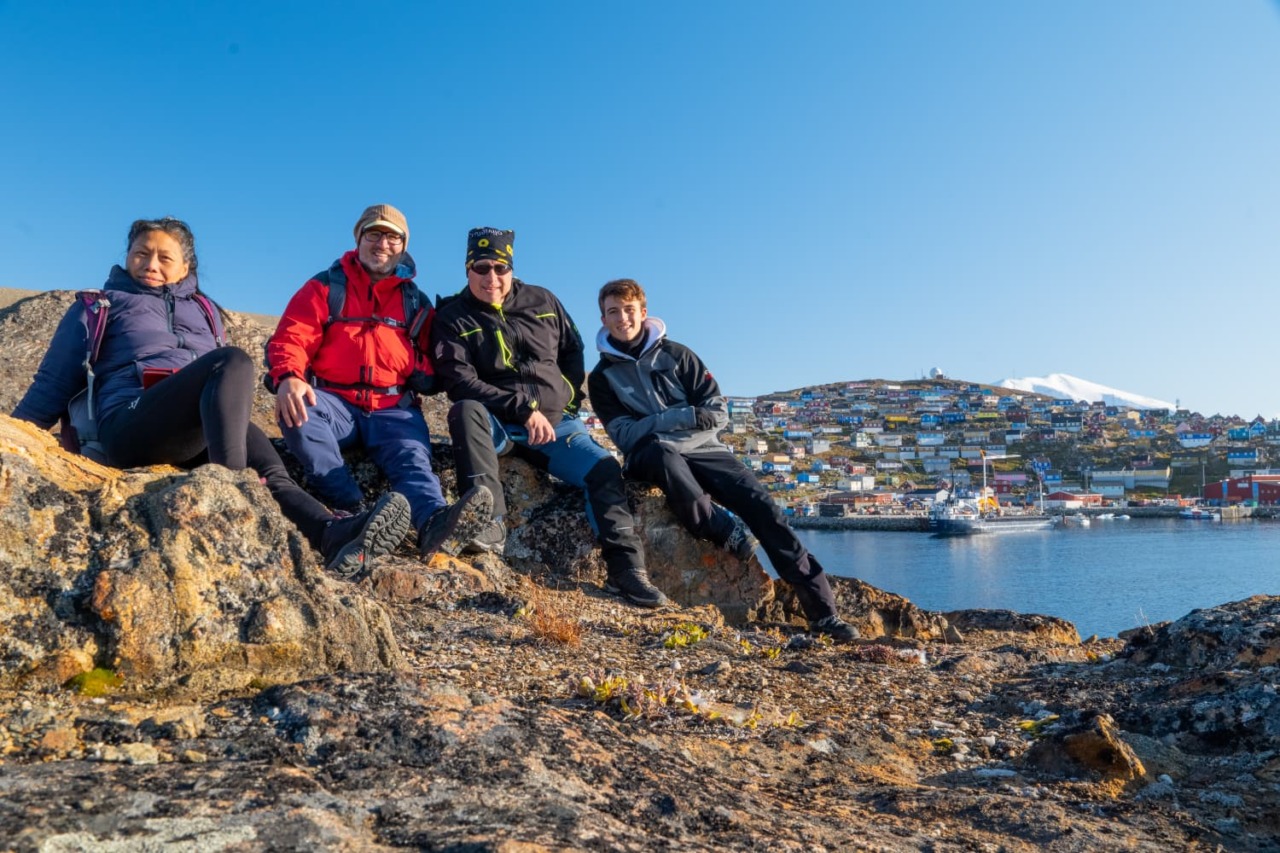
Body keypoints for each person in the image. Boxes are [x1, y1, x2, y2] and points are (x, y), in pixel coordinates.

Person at [12, 217, 412, 578]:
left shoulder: (205, 310)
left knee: (269, 470)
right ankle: (232, 500)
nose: (150, 264)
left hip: (189, 431)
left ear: (186, 267)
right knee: (231, 362)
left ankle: (331, 534)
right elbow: (50, 387)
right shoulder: (98, 306)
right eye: (141, 254)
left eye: (164, 258)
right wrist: (12, 444)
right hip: (129, 426)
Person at [587, 278, 859, 642]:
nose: (623, 318)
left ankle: (824, 614)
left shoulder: (679, 355)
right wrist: (683, 416)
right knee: (662, 454)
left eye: (629, 310)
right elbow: (624, 435)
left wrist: (663, 424)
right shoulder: (602, 378)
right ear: (603, 319)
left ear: (643, 312)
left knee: (764, 509)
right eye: (613, 312)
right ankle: (719, 527)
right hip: (651, 455)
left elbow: (716, 413)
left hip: (705, 449)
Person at [431, 228, 668, 608]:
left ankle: (626, 571)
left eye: (500, 268)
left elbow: (572, 349)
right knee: (464, 411)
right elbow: (459, 382)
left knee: (604, 469)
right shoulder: (451, 317)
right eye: (481, 268)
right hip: (496, 423)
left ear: (511, 268)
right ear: (467, 269)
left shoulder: (542, 300)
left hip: (555, 427)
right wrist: (523, 410)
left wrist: (567, 398)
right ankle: (489, 525)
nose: (492, 277)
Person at [265, 205, 492, 559]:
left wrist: (413, 364)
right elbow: (292, 337)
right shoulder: (325, 286)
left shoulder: (415, 301)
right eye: (374, 234)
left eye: (393, 237)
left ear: (403, 246)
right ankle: (354, 510)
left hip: (393, 408)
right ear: (359, 239)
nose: (382, 244)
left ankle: (434, 522)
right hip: (334, 402)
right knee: (300, 413)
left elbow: (434, 362)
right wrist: (289, 376)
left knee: (412, 460)